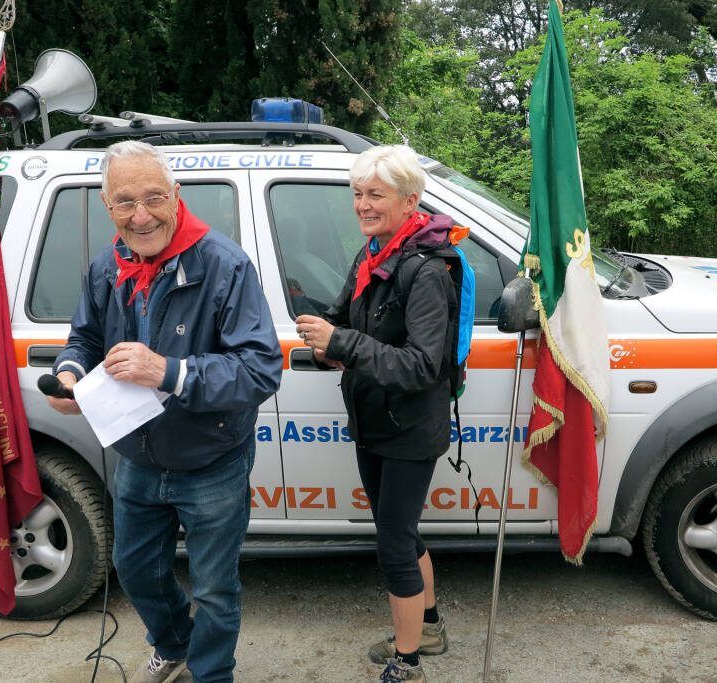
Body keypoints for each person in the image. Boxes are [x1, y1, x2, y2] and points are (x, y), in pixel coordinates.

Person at [47, 140, 282, 683]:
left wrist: (169, 372)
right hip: (138, 457)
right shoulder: (107, 266)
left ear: (176, 195)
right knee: (135, 569)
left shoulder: (224, 264)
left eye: (154, 197)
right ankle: (174, 643)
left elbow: (260, 370)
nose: (141, 214)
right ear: (108, 207)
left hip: (212, 459)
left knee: (215, 589)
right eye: (125, 201)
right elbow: (82, 338)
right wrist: (71, 376)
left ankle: (211, 674)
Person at [295, 145, 458, 683]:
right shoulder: (372, 255)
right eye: (358, 194)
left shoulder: (426, 270)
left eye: (376, 195)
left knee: (393, 543)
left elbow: (421, 366)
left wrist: (339, 340)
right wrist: (324, 340)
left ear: (411, 201)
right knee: (404, 533)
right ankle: (429, 627)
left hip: (410, 426)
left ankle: (408, 662)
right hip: (373, 421)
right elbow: (343, 319)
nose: (363, 205)